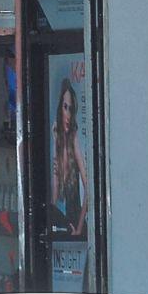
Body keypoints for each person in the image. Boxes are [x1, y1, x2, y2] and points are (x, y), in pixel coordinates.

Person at [51, 79, 88, 238]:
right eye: (65, 108)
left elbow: (89, 189)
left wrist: (79, 229)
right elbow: (54, 196)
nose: (67, 114)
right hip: (62, 225)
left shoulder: (74, 140)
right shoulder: (58, 142)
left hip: (75, 223)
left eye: (71, 109)